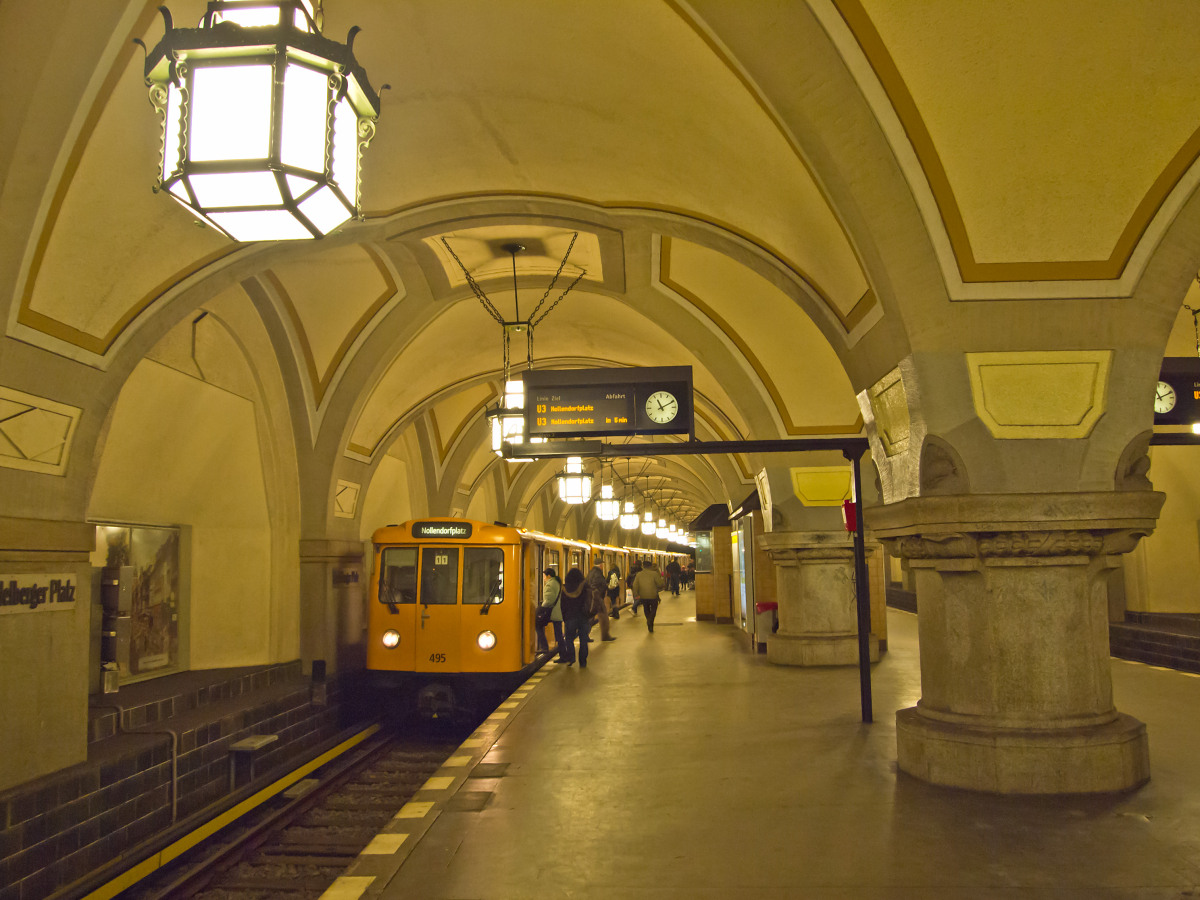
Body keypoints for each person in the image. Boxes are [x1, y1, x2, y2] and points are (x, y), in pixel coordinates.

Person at [558, 567, 592, 667]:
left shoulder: (565, 588)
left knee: (568, 639)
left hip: (570, 617)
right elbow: (589, 601)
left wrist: (565, 617)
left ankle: (571, 658)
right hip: (583, 617)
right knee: (583, 639)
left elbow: (562, 605)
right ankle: (583, 662)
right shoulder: (585, 586)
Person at [631, 562, 666, 633]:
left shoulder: (639, 574)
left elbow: (635, 585)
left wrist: (636, 594)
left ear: (643, 566)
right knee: (654, 609)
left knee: (646, 608)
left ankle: (648, 620)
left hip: (643, 596)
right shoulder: (654, 574)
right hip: (653, 595)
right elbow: (660, 583)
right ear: (650, 566)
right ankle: (650, 621)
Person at [539, 568, 565, 661]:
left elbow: (549, 600)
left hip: (553, 613)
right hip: (557, 612)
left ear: (548, 576)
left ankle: (545, 647)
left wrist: (541, 608)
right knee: (559, 634)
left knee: (538, 625)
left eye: (544, 576)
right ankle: (563, 654)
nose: (544, 578)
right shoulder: (556, 582)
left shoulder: (550, 584)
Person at [587, 565, 615, 641]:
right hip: (597, 598)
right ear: (600, 565)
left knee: (591, 617)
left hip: (593, 597)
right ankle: (605, 636)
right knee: (603, 616)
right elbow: (595, 585)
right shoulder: (597, 574)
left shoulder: (590, 572)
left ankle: (585, 635)